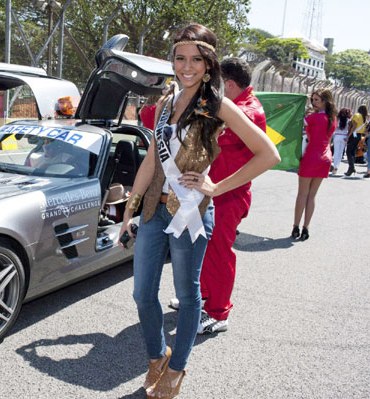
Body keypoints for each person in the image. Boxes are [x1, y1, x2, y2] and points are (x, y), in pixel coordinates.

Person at [119, 24, 279, 398]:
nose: (186, 66)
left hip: (189, 213)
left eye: (196, 59)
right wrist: (131, 206)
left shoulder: (218, 105)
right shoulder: (165, 103)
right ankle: (158, 356)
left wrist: (217, 187)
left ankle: (176, 371)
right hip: (153, 212)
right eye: (180, 58)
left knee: (189, 296)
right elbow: (150, 163)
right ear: (172, 60)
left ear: (208, 65)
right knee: (143, 294)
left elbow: (268, 154)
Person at [169, 57, 267, 335]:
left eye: (216, 82)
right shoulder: (239, 105)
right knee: (205, 246)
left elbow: (207, 120)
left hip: (228, 194)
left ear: (230, 84)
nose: (210, 86)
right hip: (213, 191)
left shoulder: (247, 110)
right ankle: (203, 298)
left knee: (219, 252)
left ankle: (218, 313)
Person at [291, 89, 337, 241]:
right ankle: (306, 228)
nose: (313, 102)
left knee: (302, 194)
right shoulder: (333, 119)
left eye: (316, 100)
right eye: (313, 100)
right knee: (312, 195)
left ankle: (295, 227)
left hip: (311, 156)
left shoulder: (314, 118)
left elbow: (295, 123)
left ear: (325, 101)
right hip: (325, 158)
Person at [344, 105, 367, 176]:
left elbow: (354, 126)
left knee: (348, 151)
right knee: (353, 151)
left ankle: (351, 168)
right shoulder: (364, 118)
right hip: (359, 135)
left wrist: (348, 135)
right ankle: (351, 168)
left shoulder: (357, 115)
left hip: (354, 134)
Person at [332, 108, 351, 174]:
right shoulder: (348, 120)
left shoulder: (337, 119)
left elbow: (333, 127)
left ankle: (335, 166)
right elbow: (349, 129)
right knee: (340, 153)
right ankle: (337, 165)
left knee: (336, 152)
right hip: (344, 136)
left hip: (337, 135)